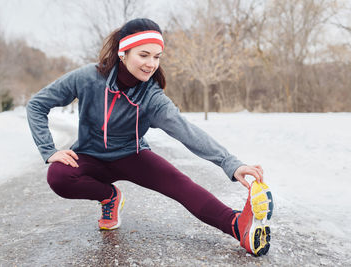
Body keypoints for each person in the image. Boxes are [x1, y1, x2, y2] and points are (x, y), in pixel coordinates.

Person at [26, 18, 273, 256]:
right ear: (123, 53)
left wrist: (231, 163)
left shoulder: (151, 98)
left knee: (181, 185)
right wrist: (49, 150)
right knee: (58, 175)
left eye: (156, 57)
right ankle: (108, 196)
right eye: (143, 55)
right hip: (90, 155)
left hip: (132, 155)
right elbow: (37, 104)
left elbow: (186, 131)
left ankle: (237, 225)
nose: (151, 64)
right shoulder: (88, 78)